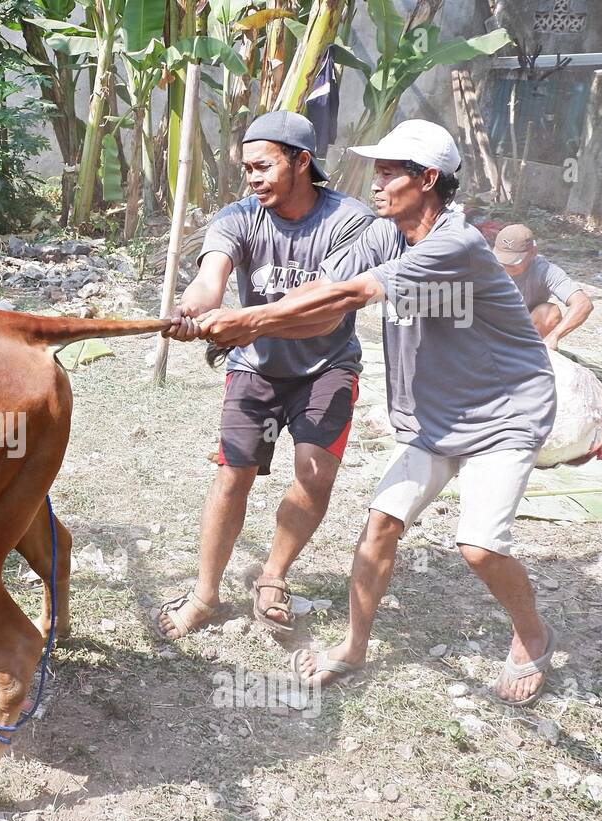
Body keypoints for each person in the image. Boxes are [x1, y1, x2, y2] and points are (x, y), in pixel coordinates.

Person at [189, 120, 558, 707]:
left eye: (390, 173)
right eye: (377, 171)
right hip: (439, 416)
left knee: (480, 545)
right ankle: (354, 648)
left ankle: (532, 633)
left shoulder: (454, 244)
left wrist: (248, 322)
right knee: (380, 526)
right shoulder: (385, 233)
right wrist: (237, 320)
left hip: (506, 412)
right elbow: (323, 298)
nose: (377, 184)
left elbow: (352, 296)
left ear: (429, 179)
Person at [157, 112, 373, 640]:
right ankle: (205, 593)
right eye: (246, 169)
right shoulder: (238, 217)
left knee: (315, 472)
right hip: (255, 367)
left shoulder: (351, 220)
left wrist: (250, 321)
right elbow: (211, 278)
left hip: (328, 364)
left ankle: (272, 576)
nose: (252, 178)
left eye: (263, 166)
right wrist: (193, 313)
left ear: (302, 161)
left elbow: (324, 304)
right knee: (234, 474)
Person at [494, 223, 594, 350]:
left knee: (549, 312)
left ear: (533, 253)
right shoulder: (484, 266)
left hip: (521, 331)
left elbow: (583, 303)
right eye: (502, 260)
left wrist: (554, 336)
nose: (506, 266)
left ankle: (528, 351)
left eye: (513, 261)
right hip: (489, 328)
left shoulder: (545, 271)